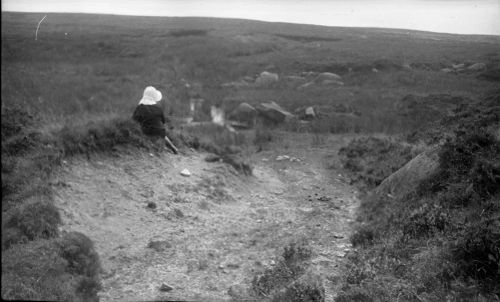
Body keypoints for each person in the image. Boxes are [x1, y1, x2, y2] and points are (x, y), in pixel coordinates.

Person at [133, 86, 178, 154]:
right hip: (161, 132)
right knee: (160, 131)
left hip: (146, 131)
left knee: (146, 130)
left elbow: (134, 120)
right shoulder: (158, 108)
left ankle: (152, 148)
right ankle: (172, 147)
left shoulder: (140, 108)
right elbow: (163, 121)